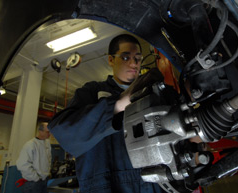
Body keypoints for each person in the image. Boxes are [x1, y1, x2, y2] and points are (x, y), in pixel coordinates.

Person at [48, 34, 165, 193]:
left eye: (138, 58)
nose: (134, 63)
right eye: (125, 57)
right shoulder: (92, 92)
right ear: (111, 60)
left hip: (153, 184)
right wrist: (117, 105)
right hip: (106, 186)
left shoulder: (154, 94)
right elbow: (64, 132)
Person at [16, 122, 52, 193]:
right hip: (33, 183)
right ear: (40, 131)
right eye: (47, 132)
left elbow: (48, 160)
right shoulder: (30, 145)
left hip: (44, 181)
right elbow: (22, 164)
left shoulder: (47, 143)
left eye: (50, 132)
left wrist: (48, 173)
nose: (50, 134)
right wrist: (35, 178)